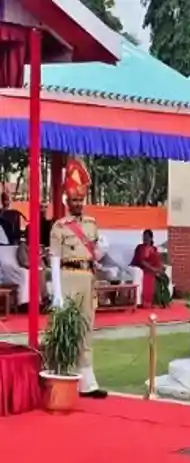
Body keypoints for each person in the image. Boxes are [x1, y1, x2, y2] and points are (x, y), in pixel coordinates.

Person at [48, 158, 108, 399]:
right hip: (67, 276)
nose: (78, 204)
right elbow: (53, 259)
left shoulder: (92, 224)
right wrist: (57, 292)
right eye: (74, 200)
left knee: (85, 327)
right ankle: (60, 372)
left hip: (87, 276)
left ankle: (87, 381)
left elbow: (96, 252)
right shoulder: (60, 227)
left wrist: (103, 248)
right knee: (65, 328)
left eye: (80, 200)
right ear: (66, 201)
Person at [131, 229, 171, 308]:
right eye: (143, 237)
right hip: (144, 268)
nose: (145, 239)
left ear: (151, 238)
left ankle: (163, 300)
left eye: (146, 237)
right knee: (154, 280)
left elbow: (157, 260)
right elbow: (141, 261)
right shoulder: (140, 248)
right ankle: (151, 301)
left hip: (154, 269)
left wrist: (161, 266)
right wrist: (153, 269)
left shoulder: (154, 248)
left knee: (164, 278)